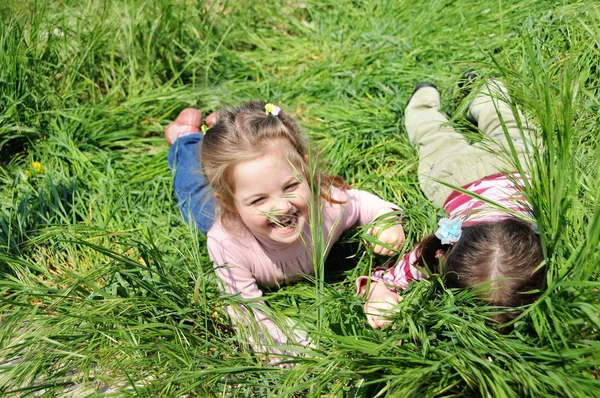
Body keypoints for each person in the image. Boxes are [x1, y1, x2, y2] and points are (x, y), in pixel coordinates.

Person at [165, 101, 406, 360]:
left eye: (291, 186)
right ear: (230, 203)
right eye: (258, 200)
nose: (280, 207)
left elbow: (362, 203)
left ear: (305, 169)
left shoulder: (325, 206)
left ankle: (217, 130)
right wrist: (281, 346)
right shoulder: (227, 243)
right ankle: (186, 137)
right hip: (214, 213)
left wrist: (386, 221)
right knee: (191, 191)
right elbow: (244, 310)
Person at [358, 78, 545, 329]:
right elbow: (387, 277)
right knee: (433, 135)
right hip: (455, 178)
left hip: (513, 165)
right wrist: (377, 292)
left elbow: (384, 279)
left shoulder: (538, 235)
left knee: (505, 122)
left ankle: (470, 90)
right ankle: (430, 96)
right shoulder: (442, 247)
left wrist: (377, 292)